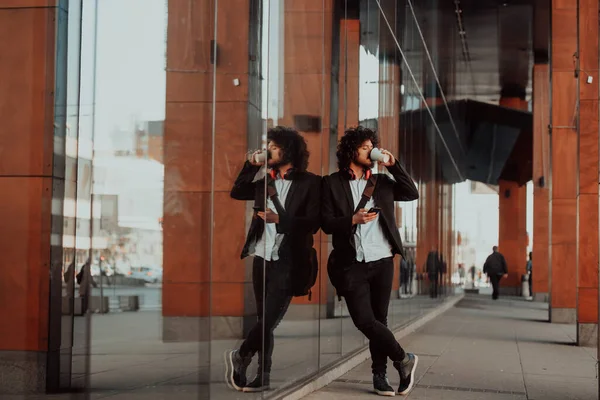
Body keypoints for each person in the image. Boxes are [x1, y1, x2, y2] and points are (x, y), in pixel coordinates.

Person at [322, 126, 419, 396]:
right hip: (351, 263)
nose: (370, 151)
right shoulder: (331, 183)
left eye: (371, 146)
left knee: (380, 320)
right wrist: (351, 220)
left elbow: (412, 192)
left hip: (382, 260)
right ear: (352, 150)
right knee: (365, 320)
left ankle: (380, 376)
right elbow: (326, 223)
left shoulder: (383, 182)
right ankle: (403, 359)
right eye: (365, 147)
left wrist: (393, 164)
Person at [226, 126, 321, 392]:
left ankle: (242, 354)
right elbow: (237, 191)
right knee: (264, 319)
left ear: (289, 150)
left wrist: (281, 219)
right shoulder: (263, 183)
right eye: (268, 145)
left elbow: (314, 223)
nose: (269, 150)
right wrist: (250, 163)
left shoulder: (311, 182)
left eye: (275, 146)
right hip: (262, 256)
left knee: (269, 318)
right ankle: (263, 375)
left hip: (290, 259)